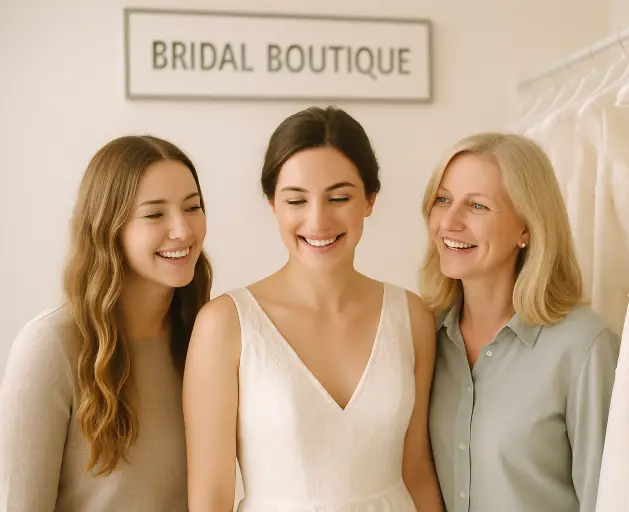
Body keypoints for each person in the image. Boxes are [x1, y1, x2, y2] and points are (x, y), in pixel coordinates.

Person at [183, 106, 443, 512]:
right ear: (272, 203)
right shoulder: (225, 324)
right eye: (296, 200)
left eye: (339, 197)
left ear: (370, 200)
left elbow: (418, 470)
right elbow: (210, 498)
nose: (318, 220)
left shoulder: (411, 317)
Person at [0, 135, 213, 511]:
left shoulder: (205, 337)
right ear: (108, 227)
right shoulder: (50, 346)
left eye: (192, 207)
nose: (183, 230)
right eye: (154, 214)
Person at [422, 132, 620, 512]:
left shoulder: (585, 348)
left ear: (526, 228)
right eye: (442, 200)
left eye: (477, 206)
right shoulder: (424, 338)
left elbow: (606, 499)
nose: (449, 221)